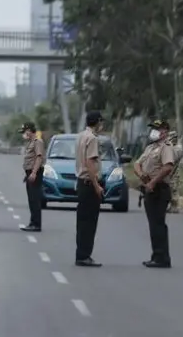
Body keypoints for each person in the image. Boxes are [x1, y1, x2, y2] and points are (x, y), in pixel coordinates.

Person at [134, 119, 176, 268]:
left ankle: (162, 258)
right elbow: (137, 164)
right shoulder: (150, 148)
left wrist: (153, 182)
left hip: (159, 189)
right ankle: (156, 255)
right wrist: (142, 176)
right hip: (149, 188)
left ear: (165, 131)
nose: (154, 131)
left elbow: (167, 167)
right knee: (153, 224)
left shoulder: (166, 147)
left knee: (158, 224)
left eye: (157, 129)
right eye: (152, 128)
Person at [74, 111, 105, 267]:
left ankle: (80, 253)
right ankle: (85, 255)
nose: (102, 126)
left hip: (81, 181)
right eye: (101, 122)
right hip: (88, 183)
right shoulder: (92, 138)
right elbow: (90, 163)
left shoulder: (81, 136)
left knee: (82, 221)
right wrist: (97, 185)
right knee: (89, 222)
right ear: (98, 122)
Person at [19, 122, 45, 232]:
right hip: (30, 173)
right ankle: (32, 222)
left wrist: (34, 173)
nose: (24, 134)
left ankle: (36, 224)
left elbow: (39, 158)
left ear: (29, 130)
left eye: (25, 132)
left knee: (35, 199)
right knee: (31, 199)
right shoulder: (30, 142)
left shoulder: (37, 142)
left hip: (35, 173)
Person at [166, 131, 183, 213]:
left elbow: (174, 158)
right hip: (170, 172)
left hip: (174, 173)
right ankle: (172, 206)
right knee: (170, 189)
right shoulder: (171, 147)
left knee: (174, 190)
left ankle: (175, 207)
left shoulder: (178, 148)